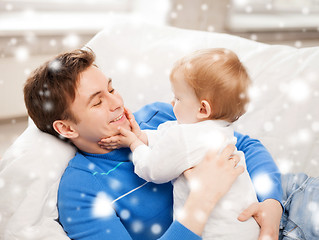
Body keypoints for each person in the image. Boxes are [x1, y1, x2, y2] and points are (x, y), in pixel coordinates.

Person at [23, 48, 283, 240]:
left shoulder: (163, 115)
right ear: (66, 128)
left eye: (111, 90)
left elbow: (247, 145)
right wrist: (202, 199)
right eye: (97, 101)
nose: (116, 103)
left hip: (275, 211)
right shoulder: (81, 190)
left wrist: (272, 205)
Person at [99, 48, 260, 239]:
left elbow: (153, 169)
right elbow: (167, 137)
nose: (171, 102)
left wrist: (134, 143)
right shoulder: (219, 130)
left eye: (178, 98)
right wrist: (143, 137)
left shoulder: (183, 137)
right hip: (248, 227)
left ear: (202, 108)